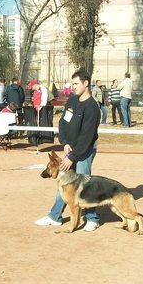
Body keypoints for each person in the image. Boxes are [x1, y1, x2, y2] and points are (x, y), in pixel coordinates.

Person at [35, 70, 101, 231]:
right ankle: (54, 217)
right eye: (72, 84)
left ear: (86, 84)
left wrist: (72, 156)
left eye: (76, 84)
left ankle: (92, 218)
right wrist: (64, 143)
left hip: (83, 152)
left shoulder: (92, 107)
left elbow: (87, 137)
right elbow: (63, 123)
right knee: (65, 184)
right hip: (70, 150)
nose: (73, 87)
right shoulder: (72, 101)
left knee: (84, 186)